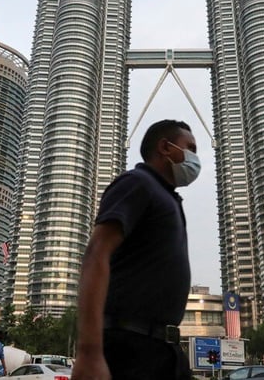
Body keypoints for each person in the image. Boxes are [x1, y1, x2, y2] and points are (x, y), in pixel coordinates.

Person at [72, 119, 197, 380]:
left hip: (165, 350)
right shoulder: (138, 183)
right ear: (165, 147)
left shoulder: (169, 197)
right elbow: (96, 254)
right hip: (130, 350)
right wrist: (89, 353)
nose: (194, 158)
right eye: (190, 148)